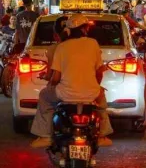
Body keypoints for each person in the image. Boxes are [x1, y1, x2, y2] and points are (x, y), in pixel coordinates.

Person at [30, 14, 113, 148]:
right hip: (91, 93)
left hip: (65, 94)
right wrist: (96, 86)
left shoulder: (61, 47)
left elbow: (56, 78)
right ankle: (102, 135)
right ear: (84, 29)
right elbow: (99, 72)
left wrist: (52, 84)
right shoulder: (93, 43)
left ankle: (45, 136)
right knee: (101, 103)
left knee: (44, 96)